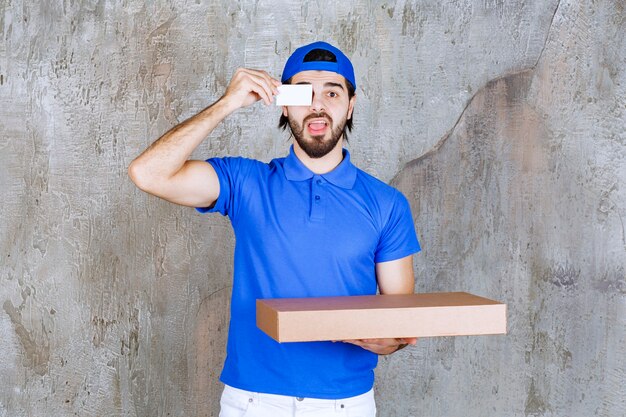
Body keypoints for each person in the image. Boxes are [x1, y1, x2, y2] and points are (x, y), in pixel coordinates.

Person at [128, 41, 421, 416]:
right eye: (303, 93)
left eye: (332, 92)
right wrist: (227, 103)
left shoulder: (387, 204)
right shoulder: (245, 182)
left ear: (351, 105)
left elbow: (399, 319)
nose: (317, 105)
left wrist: (387, 341)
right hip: (252, 402)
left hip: (345, 404)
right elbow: (147, 173)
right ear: (283, 104)